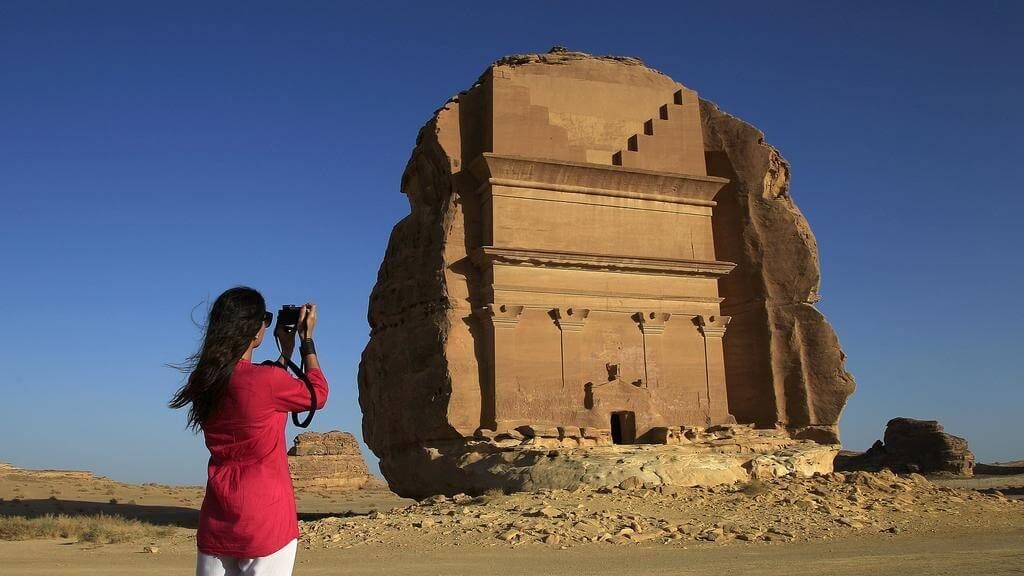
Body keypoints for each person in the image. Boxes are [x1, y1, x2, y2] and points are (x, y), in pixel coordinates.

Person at [170, 286, 329, 576]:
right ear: (253, 329)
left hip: (218, 519)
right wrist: (307, 342)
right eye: (264, 319)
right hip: (266, 521)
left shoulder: (204, 381)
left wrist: (285, 354)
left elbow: (255, 389)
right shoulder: (266, 382)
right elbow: (318, 393)